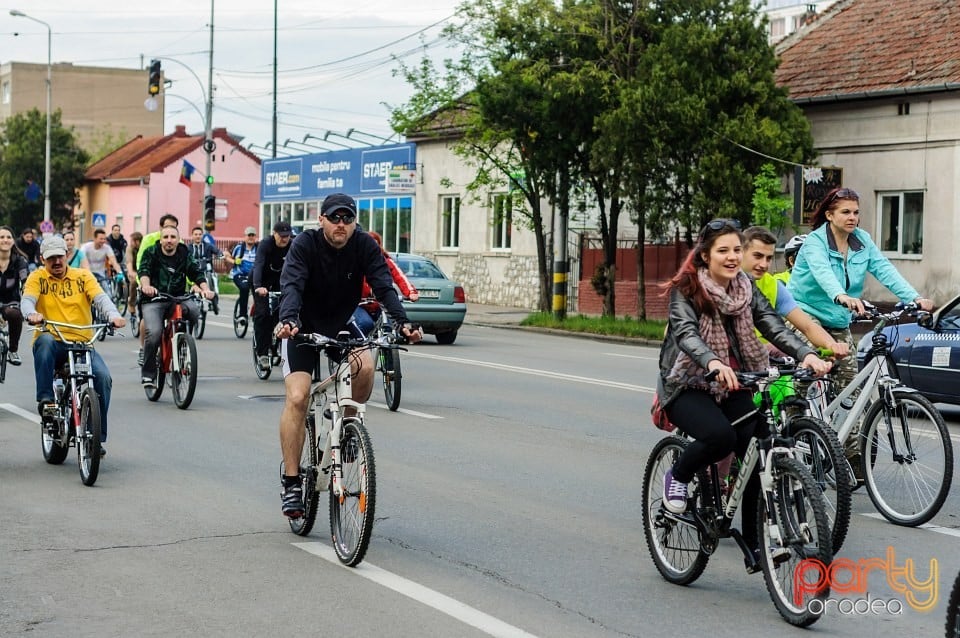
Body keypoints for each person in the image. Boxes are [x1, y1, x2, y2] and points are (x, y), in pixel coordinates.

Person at [656, 219, 830, 571]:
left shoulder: (745, 287)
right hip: (686, 383)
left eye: (737, 249)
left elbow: (771, 324)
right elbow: (687, 335)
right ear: (705, 255)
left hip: (732, 380)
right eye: (723, 250)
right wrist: (713, 361)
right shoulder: (686, 290)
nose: (733, 257)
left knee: (757, 445)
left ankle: (755, 540)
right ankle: (678, 474)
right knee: (719, 436)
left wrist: (806, 353)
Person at [274, 193, 423, 517]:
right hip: (302, 325)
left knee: (366, 366)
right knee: (298, 397)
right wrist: (288, 320)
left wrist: (404, 323)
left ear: (354, 222)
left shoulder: (364, 246)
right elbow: (293, 285)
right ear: (322, 220)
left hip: (342, 322)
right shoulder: (305, 245)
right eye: (334, 218)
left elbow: (383, 286)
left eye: (347, 219)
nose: (341, 224)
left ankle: (348, 427)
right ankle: (291, 481)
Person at [787, 187, 933, 393]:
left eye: (856, 212)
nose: (852, 217)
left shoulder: (862, 240)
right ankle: (795, 414)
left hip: (837, 318)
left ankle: (844, 426)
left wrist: (914, 298)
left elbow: (884, 269)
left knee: (849, 382)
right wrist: (842, 296)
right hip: (805, 314)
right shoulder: (815, 242)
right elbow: (823, 272)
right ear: (829, 215)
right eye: (845, 212)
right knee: (813, 366)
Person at [21, 236, 125, 456]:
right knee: (45, 341)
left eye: (60, 256)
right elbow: (27, 300)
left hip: (82, 344)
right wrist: (31, 313)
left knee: (103, 378)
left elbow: (101, 299)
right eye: (51, 259)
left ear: (67, 255)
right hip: (54, 341)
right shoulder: (37, 277)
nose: (57, 262)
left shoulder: (83, 276)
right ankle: (47, 401)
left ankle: (95, 438)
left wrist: (114, 315)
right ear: (42, 259)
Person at [740, 226, 849, 358]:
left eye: (768, 258)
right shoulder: (725, 281)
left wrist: (832, 345)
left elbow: (807, 325)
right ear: (740, 252)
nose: (764, 264)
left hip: (763, 359)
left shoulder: (772, 285)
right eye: (757, 256)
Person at [137, 226, 214, 388]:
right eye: (166, 237)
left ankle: (182, 344)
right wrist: (146, 286)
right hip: (154, 299)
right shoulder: (151, 252)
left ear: (178, 240)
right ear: (161, 239)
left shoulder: (184, 252)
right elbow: (144, 271)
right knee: (155, 332)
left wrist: (205, 288)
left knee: (193, 310)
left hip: (178, 297)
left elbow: (196, 272)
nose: (169, 240)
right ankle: (148, 374)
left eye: (173, 237)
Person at [350, 230, 419, 335]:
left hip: (380, 304)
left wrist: (410, 292)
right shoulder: (355, 260)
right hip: (360, 305)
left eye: (374, 246)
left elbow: (400, 277)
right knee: (365, 324)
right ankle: (359, 347)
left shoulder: (385, 261)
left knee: (390, 326)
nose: (371, 250)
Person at [251, 221, 292, 368]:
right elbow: (258, 265)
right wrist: (258, 286)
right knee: (263, 314)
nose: (284, 239)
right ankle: (262, 354)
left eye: (287, 236)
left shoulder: (292, 246)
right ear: (274, 234)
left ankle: (277, 347)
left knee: (283, 314)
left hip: (279, 281)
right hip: (261, 281)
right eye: (281, 236)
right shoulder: (266, 244)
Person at [0, 225, 29, 365]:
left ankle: (13, 350)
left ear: (13, 241)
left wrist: (28, 295)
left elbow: (25, 281)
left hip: (10, 302)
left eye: (8, 237)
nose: (5, 240)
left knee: (15, 315)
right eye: (1, 237)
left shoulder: (20, 261)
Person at [189, 226, 224, 314]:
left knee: (212, 277)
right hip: (193, 272)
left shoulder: (208, 246)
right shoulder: (188, 248)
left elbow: (217, 251)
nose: (198, 236)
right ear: (192, 236)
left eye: (200, 234)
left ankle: (214, 301)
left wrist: (220, 254)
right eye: (196, 234)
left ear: (202, 236)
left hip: (207, 271)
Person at [230, 226, 259, 321]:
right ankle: (242, 315)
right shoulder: (239, 248)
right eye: (249, 235)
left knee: (260, 292)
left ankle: (258, 314)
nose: (251, 237)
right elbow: (228, 256)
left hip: (254, 276)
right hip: (239, 274)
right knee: (245, 288)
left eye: (253, 235)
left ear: (255, 237)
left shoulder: (259, 248)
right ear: (245, 236)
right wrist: (234, 261)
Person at [124, 232, 143, 317]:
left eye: (132, 241)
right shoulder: (129, 248)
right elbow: (129, 262)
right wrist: (131, 272)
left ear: (137, 241)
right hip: (134, 270)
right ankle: (131, 303)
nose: (130, 242)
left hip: (143, 270)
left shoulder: (144, 247)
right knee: (134, 281)